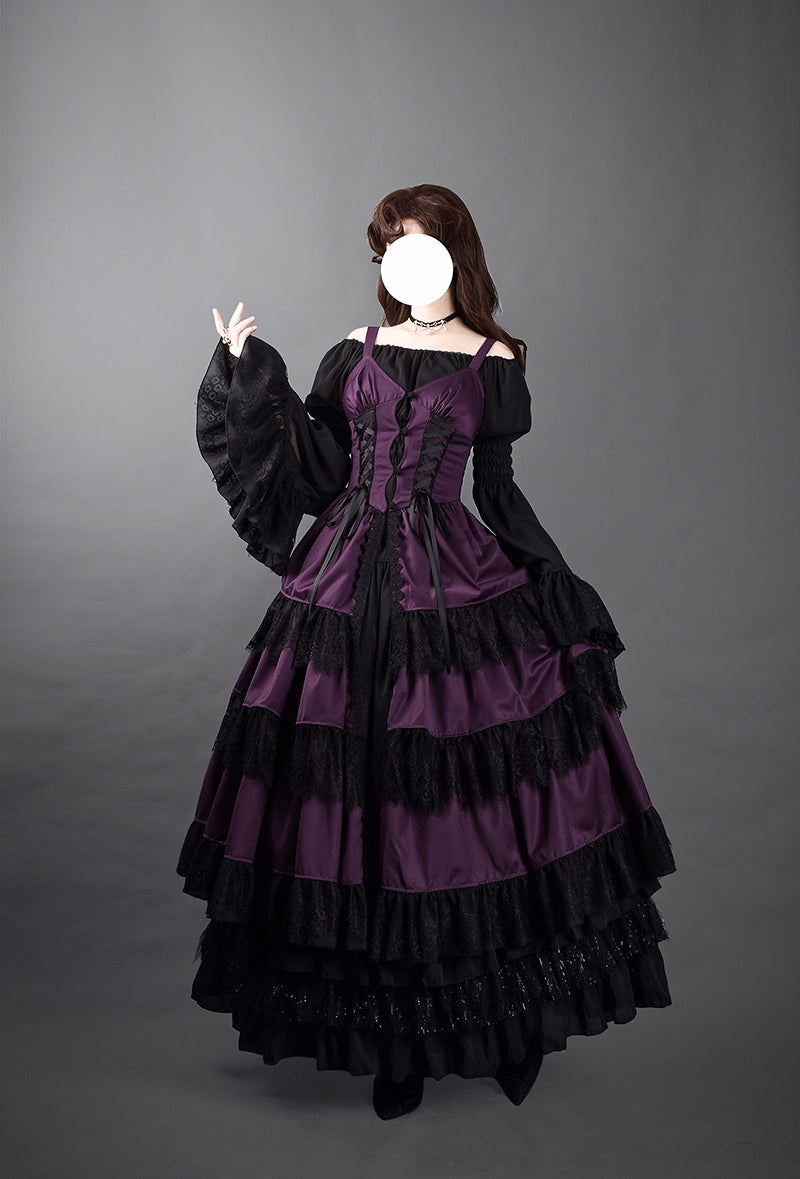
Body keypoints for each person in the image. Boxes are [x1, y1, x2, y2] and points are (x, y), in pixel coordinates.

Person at [176, 184, 677, 1120]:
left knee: (455, 819)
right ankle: (392, 1048)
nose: (399, 261)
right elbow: (324, 468)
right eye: (388, 247)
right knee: (353, 801)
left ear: (452, 251)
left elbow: (500, 495)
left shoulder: (495, 361)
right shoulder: (354, 351)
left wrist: (555, 592)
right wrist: (251, 375)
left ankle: (507, 1029)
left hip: (448, 585)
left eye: (414, 242)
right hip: (342, 581)